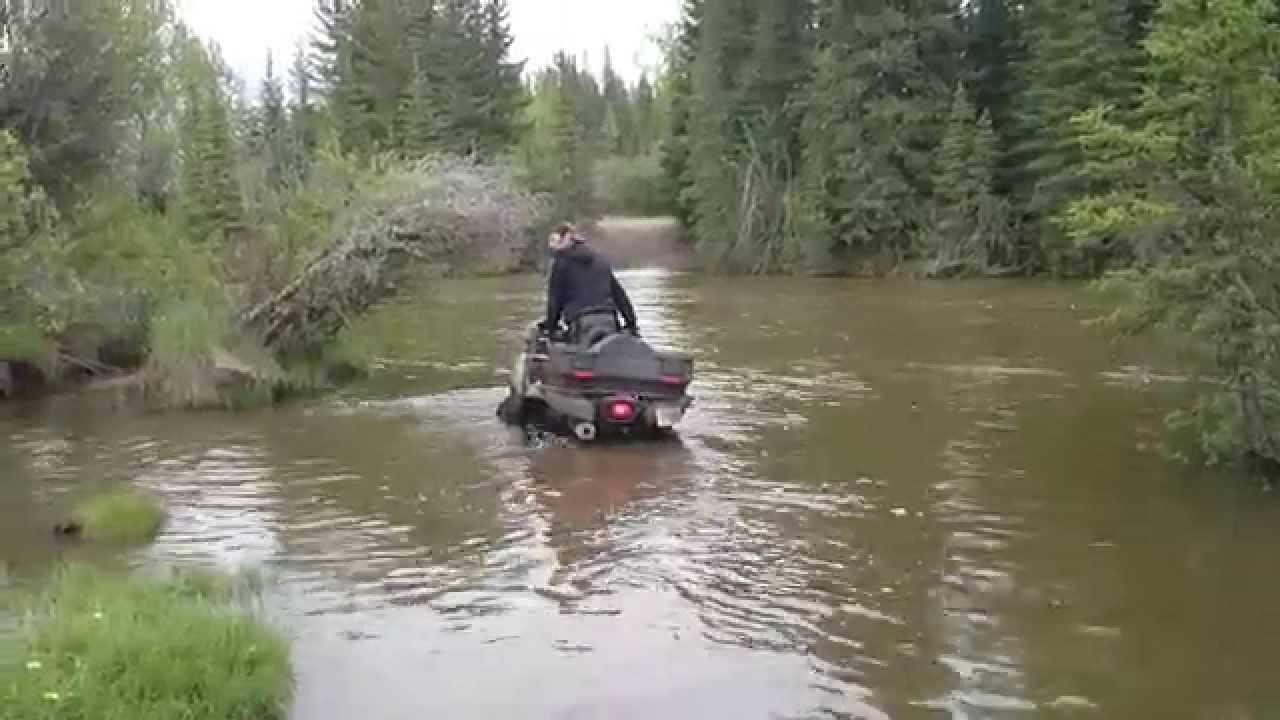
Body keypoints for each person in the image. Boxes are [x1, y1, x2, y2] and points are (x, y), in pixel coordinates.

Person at [540, 223, 639, 346]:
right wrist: (631, 324)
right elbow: (620, 296)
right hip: (610, 321)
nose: (551, 246)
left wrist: (551, 329)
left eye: (554, 240)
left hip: (582, 324)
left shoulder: (561, 263)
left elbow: (555, 301)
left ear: (568, 237)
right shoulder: (600, 259)